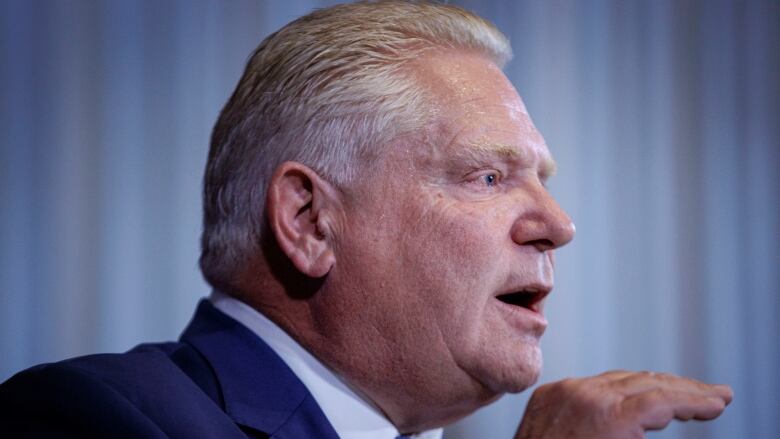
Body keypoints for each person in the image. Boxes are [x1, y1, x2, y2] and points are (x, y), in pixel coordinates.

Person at [0, 1, 732, 438]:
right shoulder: (91, 417)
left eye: (541, 179)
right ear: (310, 220)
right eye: (487, 176)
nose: (558, 223)